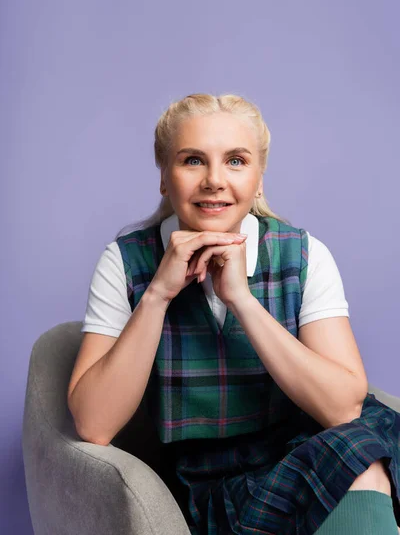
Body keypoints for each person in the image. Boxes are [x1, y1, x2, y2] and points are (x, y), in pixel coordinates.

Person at [68, 93, 400, 534]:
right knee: (358, 460)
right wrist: (157, 296)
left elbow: (343, 407)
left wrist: (242, 300)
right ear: (165, 178)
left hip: (315, 441)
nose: (214, 180)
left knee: (360, 453)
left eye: (236, 161)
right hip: (210, 484)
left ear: (259, 178)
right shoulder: (124, 261)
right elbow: (94, 425)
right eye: (192, 161)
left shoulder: (303, 253)